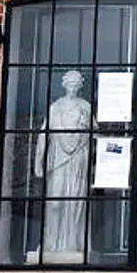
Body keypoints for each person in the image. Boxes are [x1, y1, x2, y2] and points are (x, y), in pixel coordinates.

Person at [33, 68, 92, 262]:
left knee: (75, 202)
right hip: (58, 159)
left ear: (80, 86)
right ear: (64, 85)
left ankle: (73, 243)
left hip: (77, 160)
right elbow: (44, 134)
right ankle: (51, 242)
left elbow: (95, 135)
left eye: (76, 84)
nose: (72, 88)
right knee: (55, 202)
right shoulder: (56, 107)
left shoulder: (85, 106)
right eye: (70, 84)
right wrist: (38, 161)